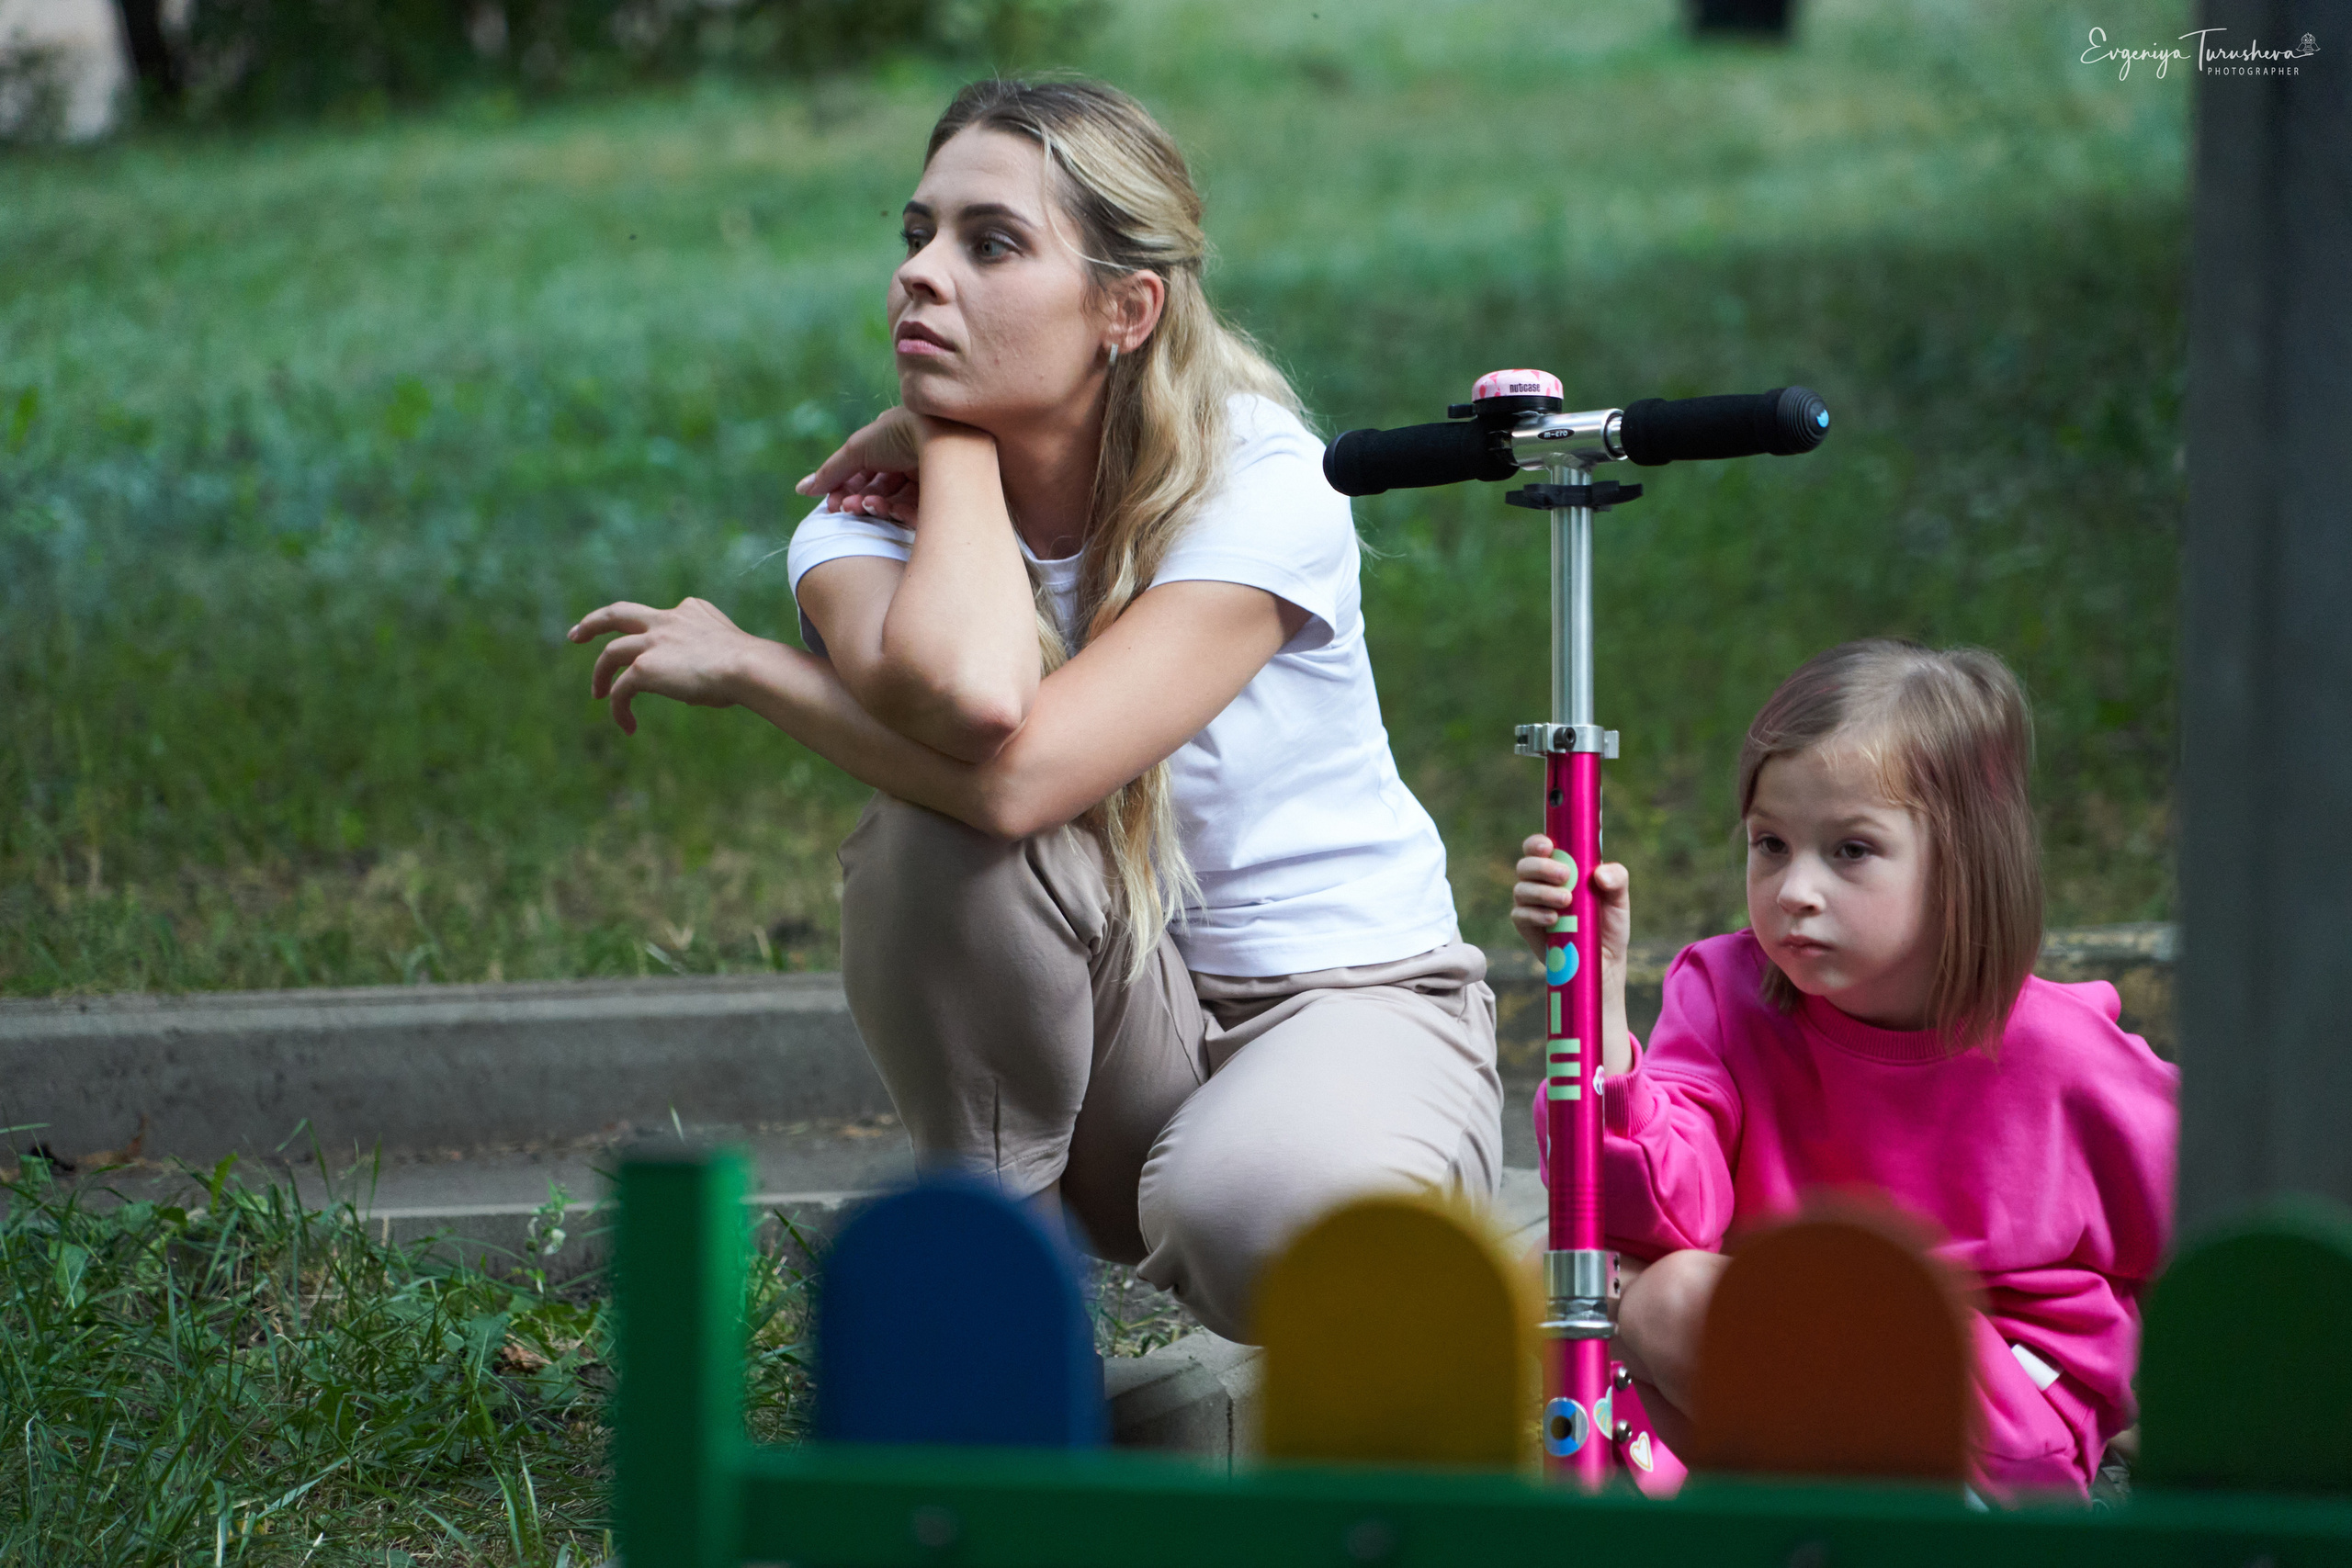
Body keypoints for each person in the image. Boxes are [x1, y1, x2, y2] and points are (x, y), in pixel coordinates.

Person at [569, 78, 1500, 1342]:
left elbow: (1022, 771)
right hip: (1128, 1037)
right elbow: (976, 704)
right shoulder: (858, 522)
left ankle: (1395, 1219)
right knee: (934, 836)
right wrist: (957, 444)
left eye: (989, 242)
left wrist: (756, 671)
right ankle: (997, 1290)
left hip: (1354, 1004)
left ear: (1126, 308)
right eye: (916, 236)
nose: (922, 276)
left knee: (1245, 1206)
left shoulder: (1266, 480)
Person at [1510, 639, 2177, 1496]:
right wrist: (1595, 996)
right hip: (1798, 1367)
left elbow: (2224, 1218)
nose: (1796, 889)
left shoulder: (2060, 1053)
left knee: (1673, 1297)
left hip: (1979, 1412)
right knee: (1571, 1269)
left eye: (1851, 850)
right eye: (1771, 844)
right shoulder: (1727, 995)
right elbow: (1653, 1210)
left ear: (1963, 861)